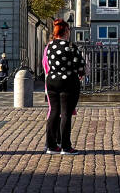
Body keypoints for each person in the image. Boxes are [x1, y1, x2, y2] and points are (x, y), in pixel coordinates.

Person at [44, 19, 85, 155]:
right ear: (66, 31)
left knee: (54, 112)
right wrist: (80, 73)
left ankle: (51, 145)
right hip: (68, 82)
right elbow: (80, 65)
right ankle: (65, 146)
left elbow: (47, 62)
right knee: (66, 113)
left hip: (51, 81)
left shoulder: (49, 46)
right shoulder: (71, 46)